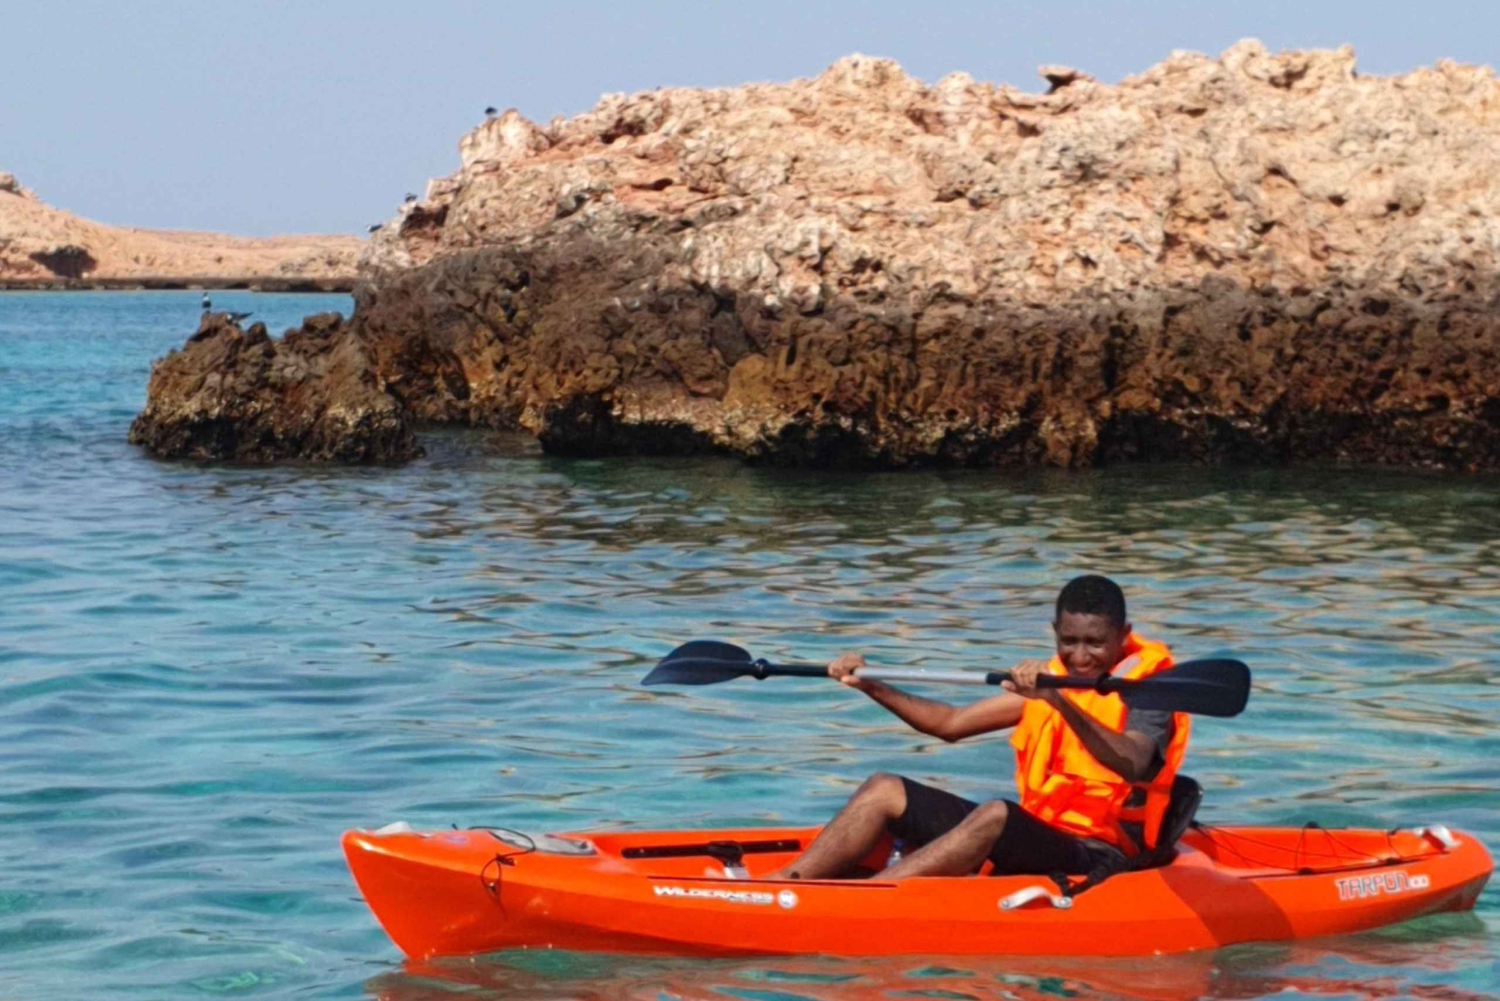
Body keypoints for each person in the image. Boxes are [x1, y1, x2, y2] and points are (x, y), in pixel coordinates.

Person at [769, 575, 1190, 880]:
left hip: (1102, 853)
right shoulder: (1053, 680)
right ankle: (785, 886)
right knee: (884, 789)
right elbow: (950, 724)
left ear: (1123, 635)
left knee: (996, 813)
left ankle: (872, 901)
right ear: (1056, 633)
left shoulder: (1150, 690)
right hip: (1043, 835)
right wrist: (870, 686)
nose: (1080, 657)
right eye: (1069, 641)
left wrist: (1058, 702)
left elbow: (1134, 763)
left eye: (1095, 643)